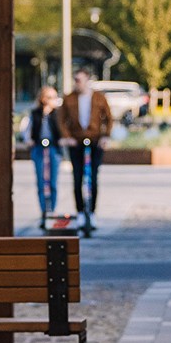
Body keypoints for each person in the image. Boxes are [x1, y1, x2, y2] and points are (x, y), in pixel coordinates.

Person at [59, 66, 111, 232]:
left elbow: (108, 118)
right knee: (77, 177)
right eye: (75, 80)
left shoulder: (98, 98)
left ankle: (93, 213)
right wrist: (67, 137)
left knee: (93, 177)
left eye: (79, 80)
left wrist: (105, 136)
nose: (77, 84)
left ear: (87, 80)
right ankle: (80, 212)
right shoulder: (69, 99)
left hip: (94, 140)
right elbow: (61, 119)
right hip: (76, 141)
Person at [21, 86, 63, 227]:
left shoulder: (58, 114)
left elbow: (63, 131)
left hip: (53, 148)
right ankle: (43, 211)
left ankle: (52, 211)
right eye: (50, 97)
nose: (53, 100)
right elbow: (26, 130)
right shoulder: (35, 114)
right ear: (43, 98)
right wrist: (29, 140)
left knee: (53, 182)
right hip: (39, 148)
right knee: (41, 182)